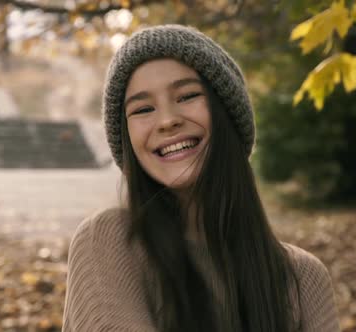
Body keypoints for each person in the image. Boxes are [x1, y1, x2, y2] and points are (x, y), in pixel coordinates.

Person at [62, 24, 340, 332]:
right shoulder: (108, 241)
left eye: (187, 96)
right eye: (142, 109)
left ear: (226, 114)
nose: (167, 121)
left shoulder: (303, 278)